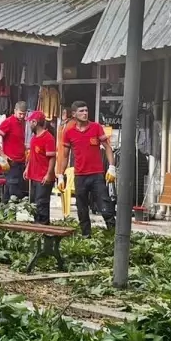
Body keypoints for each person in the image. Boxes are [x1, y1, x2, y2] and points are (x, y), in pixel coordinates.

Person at [56, 101, 116, 238]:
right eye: (81, 111)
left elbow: (107, 147)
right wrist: (60, 175)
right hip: (80, 176)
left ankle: (114, 236)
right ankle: (86, 236)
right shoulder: (69, 132)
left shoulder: (96, 127)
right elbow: (64, 156)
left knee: (105, 207)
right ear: (74, 114)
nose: (85, 113)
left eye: (86, 110)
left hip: (97, 175)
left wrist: (112, 167)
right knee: (82, 209)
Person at [25, 111, 56, 225]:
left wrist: (48, 174)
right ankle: (36, 226)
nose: (28, 125)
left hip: (43, 177)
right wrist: (27, 168)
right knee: (34, 204)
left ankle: (43, 227)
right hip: (34, 176)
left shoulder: (48, 138)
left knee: (42, 203)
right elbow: (32, 155)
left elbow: (52, 158)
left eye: (30, 122)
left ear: (34, 122)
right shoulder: (34, 137)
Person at [0, 101, 27, 201]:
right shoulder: (9, 122)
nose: (22, 116)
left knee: (11, 191)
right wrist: (2, 154)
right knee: (14, 192)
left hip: (21, 162)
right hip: (12, 162)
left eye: (24, 114)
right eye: (20, 113)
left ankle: (4, 211)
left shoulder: (22, 123)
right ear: (15, 111)